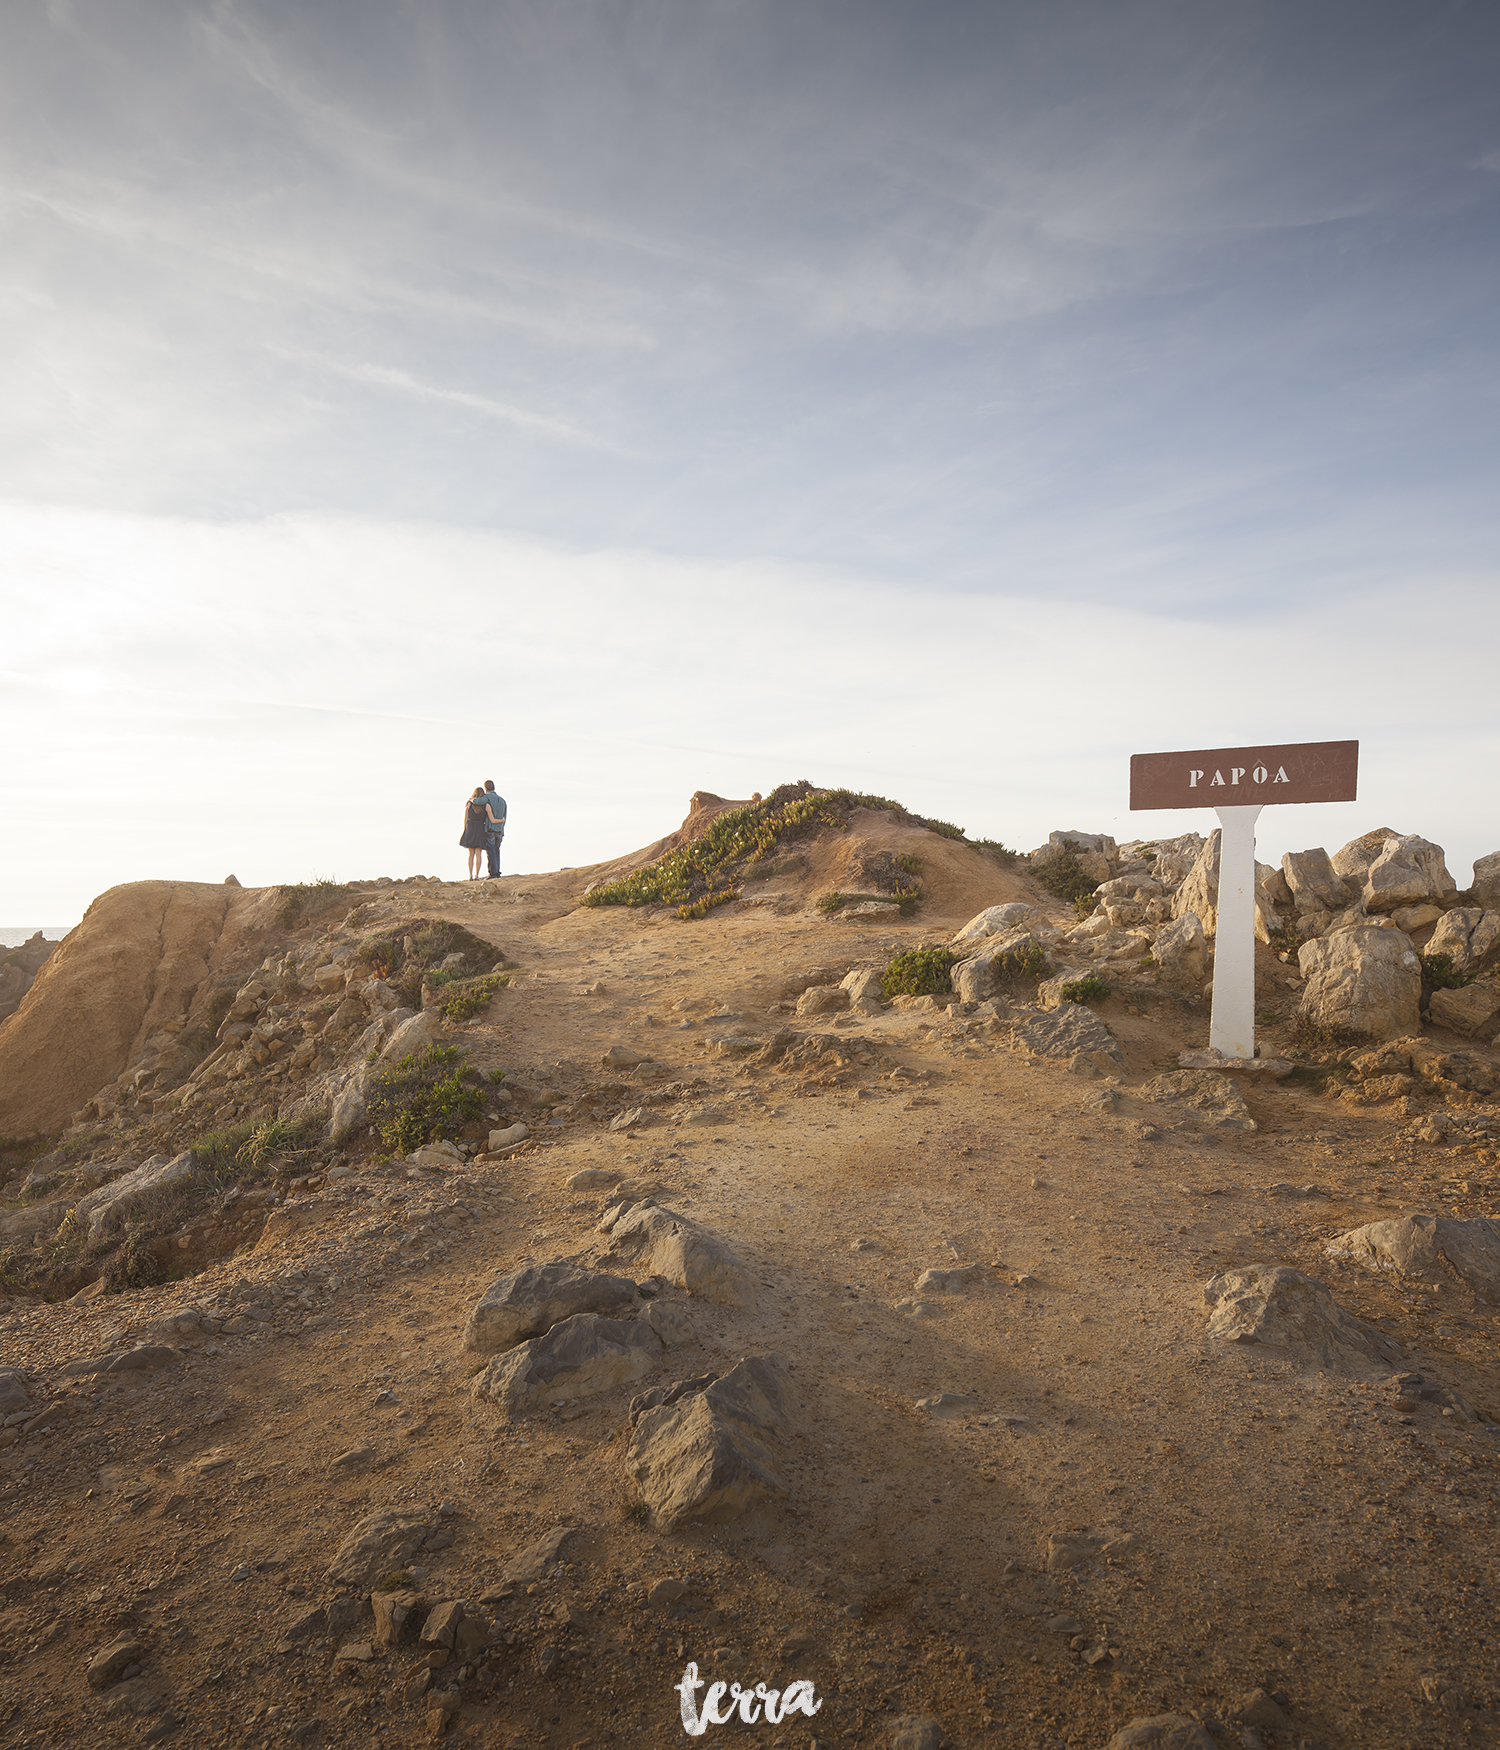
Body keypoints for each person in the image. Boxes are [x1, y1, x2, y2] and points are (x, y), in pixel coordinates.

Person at [459, 786, 489, 879]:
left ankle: (470, 875)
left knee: (470, 854)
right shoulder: (485, 805)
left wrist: (466, 830)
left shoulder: (469, 804)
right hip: (480, 827)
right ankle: (477, 875)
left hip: (470, 827)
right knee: (478, 853)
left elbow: (465, 819)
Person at [481, 780, 507, 878]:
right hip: (499, 829)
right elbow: (505, 816)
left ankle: (493, 873)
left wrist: (472, 800)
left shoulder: (486, 798)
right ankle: (497, 872)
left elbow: (479, 801)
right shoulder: (502, 800)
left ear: (486, 788)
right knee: (497, 850)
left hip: (490, 828)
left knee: (490, 851)